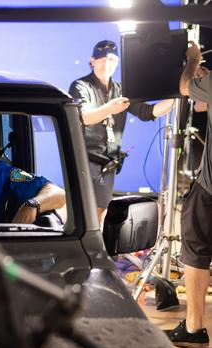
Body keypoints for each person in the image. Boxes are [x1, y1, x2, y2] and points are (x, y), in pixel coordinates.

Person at [69, 39, 174, 224]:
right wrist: (109, 108)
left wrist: (175, 96)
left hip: (108, 162)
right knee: (79, 212)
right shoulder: (81, 86)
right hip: (84, 159)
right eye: (101, 60)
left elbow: (147, 112)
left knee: (100, 212)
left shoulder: (121, 90)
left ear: (117, 63)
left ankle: (95, 247)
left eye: (111, 60)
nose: (106, 65)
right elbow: (84, 117)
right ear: (92, 61)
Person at [165, 41, 212, 347]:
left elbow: (185, 87)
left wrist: (193, 62)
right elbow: (202, 102)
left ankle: (194, 328)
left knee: (196, 249)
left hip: (210, 189)